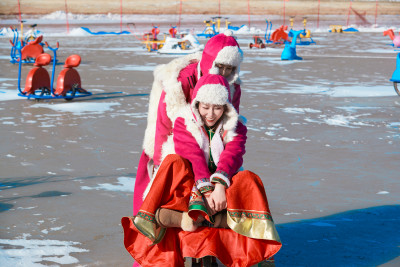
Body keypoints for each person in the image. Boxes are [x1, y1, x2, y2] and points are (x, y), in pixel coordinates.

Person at [122, 74, 282, 267]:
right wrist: (205, 189)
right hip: (189, 183)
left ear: (226, 107)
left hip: (222, 185)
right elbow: (193, 156)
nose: (211, 114)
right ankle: (153, 219)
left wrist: (220, 186)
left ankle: (260, 250)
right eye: (205, 107)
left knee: (249, 179)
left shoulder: (236, 127)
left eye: (217, 107)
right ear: (197, 105)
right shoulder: (184, 122)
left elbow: (232, 156)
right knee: (173, 161)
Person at [133, 30, 246, 217]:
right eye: (221, 66)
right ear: (210, 60)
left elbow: (230, 126)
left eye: (230, 68)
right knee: (165, 189)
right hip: (175, 137)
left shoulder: (233, 85)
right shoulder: (181, 80)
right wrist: (162, 169)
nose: (225, 73)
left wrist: (220, 176)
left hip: (211, 142)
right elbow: (164, 125)